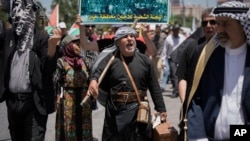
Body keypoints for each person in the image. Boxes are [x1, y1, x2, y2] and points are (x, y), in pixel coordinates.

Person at [87, 26, 167, 141]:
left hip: (138, 112)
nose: (130, 39)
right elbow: (97, 73)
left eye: (132, 36)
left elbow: (155, 87)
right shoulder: (110, 59)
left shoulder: (145, 61)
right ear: (118, 42)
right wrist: (93, 81)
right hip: (115, 112)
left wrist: (161, 108)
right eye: (125, 37)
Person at [185, 1, 250, 140]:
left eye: (226, 24)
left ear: (243, 26)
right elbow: (195, 99)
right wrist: (198, 137)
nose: (219, 29)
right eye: (218, 24)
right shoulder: (207, 56)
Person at [0, 0, 62, 140]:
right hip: (13, 103)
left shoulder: (41, 38)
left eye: (22, 10)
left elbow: (47, 70)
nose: (17, 15)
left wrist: (52, 48)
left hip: (34, 103)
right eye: (15, 9)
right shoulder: (10, 36)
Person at [53, 34, 93, 141]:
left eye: (81, 45)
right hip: (68, 101)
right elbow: (56, 83)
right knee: (69, 127)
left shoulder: (85, 61)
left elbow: (92, 78)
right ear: (69, 46)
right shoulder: (61, 62)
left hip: (84, 101)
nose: (80, 47)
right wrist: (58, 99)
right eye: (77, 44)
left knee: (83, 127)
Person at [176, 8, 216, 103]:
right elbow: (182, 77)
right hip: (196, 104)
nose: (208, 26)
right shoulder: (192, 47)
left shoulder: (226, 48)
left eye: (213, 22)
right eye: (204, 23)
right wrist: (185, 104)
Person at [79, 18, 157, 58]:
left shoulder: (134, 43)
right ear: (113, 30)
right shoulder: (106, 43)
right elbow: (85, 45)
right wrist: (81, 27)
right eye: (117, 29)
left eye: (122, 28)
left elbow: (152, 53)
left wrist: (145, 36)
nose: (121, 31)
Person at [161, 24, 186, 97]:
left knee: (180, 75)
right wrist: (163, 61)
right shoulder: (168, 39)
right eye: (175, 30)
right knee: (174, 75)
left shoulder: (182, 38)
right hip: (172, 59)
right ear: (172, 31)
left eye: (177, 30)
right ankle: (176, 91)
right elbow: (165, 51)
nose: (176, 31)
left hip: (181, 59)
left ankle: (179, 90)